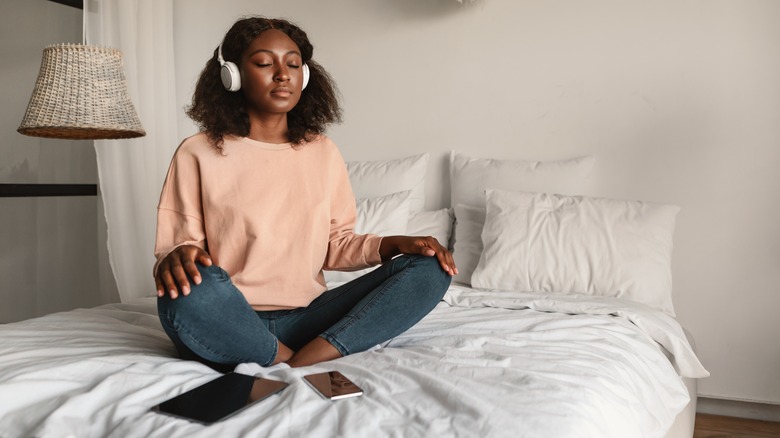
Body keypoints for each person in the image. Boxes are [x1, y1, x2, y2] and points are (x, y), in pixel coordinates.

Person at [153, 16, 456, 372]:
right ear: (231, 74)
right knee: (188, 291)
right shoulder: (197, 151)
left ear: (305, 76)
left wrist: (393, 244)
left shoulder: (322, 151)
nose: (283, 73)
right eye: (265, 63)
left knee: (431, 268)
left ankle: (307, 354)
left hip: (309, 319)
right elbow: (178, 251)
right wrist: (178, 255)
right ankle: (286, 358)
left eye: (293, 64)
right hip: (229, 315)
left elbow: (335, 244)